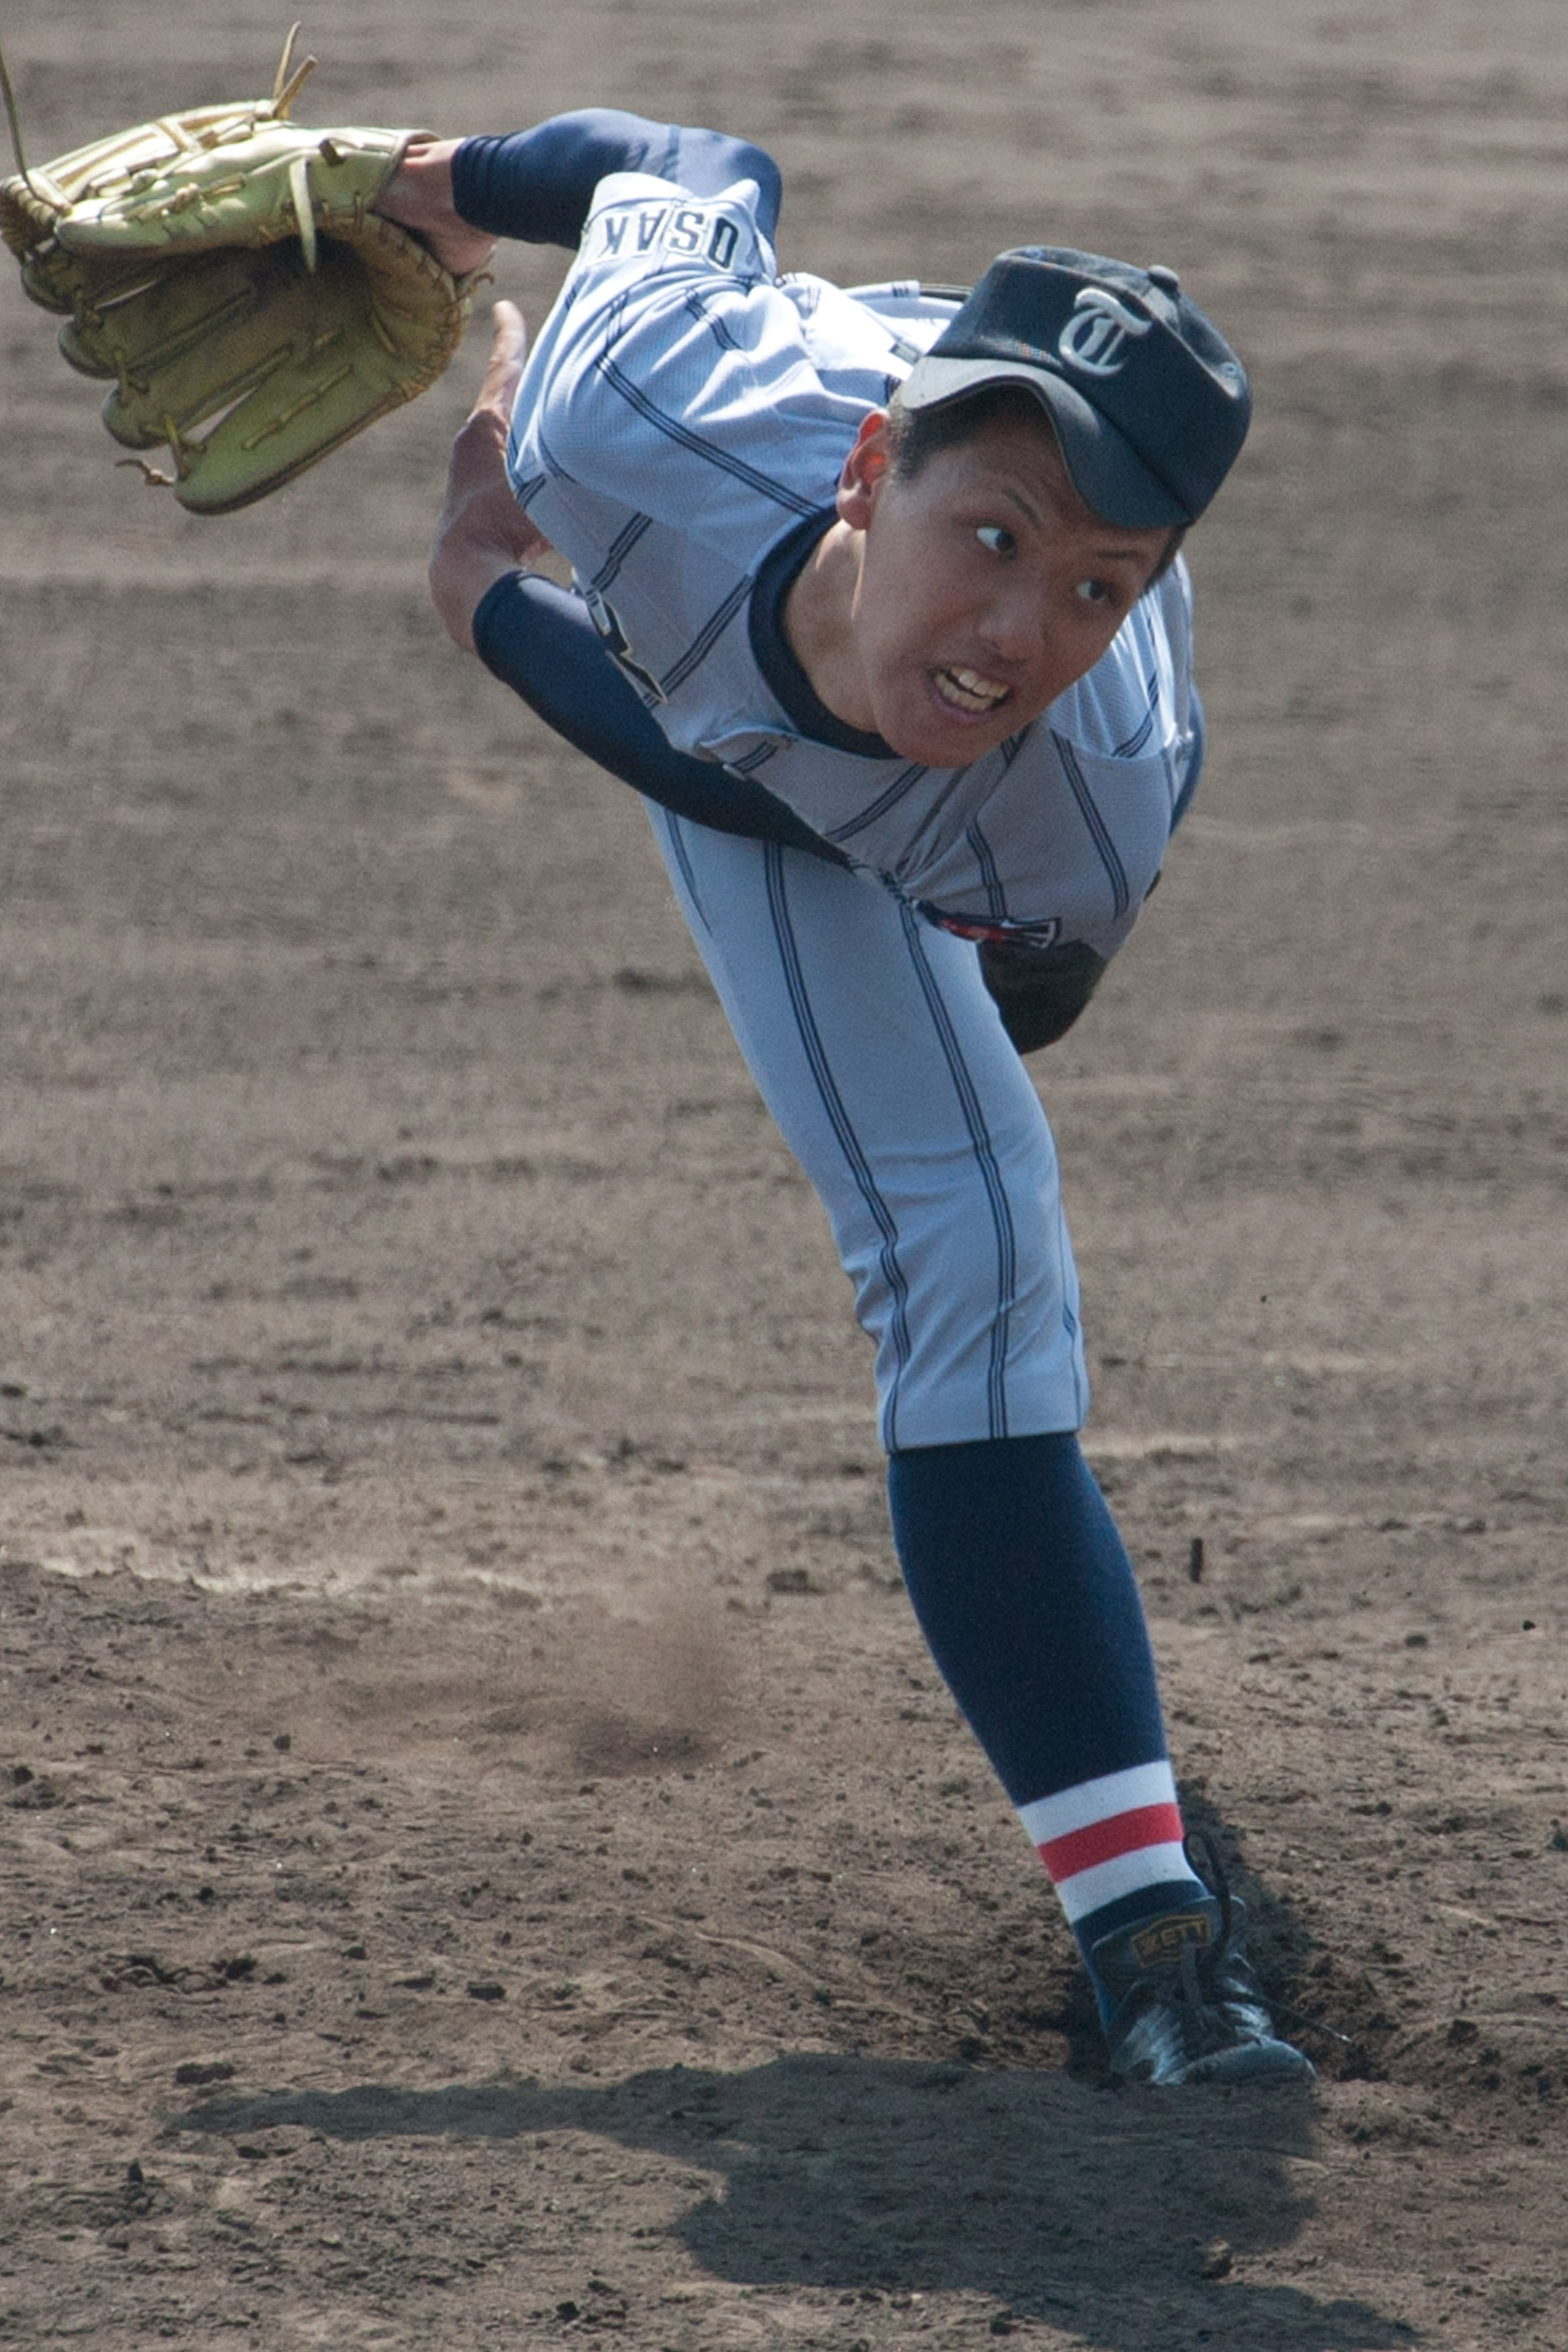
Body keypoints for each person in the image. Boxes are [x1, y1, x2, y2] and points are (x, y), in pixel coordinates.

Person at [373, 112, 1313, 2088]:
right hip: (746, 534)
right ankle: (1151, 1932)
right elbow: (696, 159)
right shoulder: (635, 410)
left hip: (976, 837)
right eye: (996, 539)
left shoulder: (1090, 798)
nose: (1019, 633)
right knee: (961, 1239)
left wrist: (488, 609)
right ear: (882, 464)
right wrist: (421, 178)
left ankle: (1139, 1923)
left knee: (981, 1182)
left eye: (1094, 585)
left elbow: (838, 799)